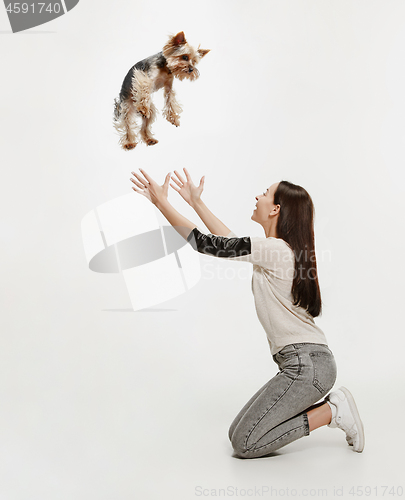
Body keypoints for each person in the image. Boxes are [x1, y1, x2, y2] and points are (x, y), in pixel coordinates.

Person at [129, 167, 365, 457]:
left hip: (307, 366)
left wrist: (161, 202)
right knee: (236, 432)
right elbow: (227, 241)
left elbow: (205, 244)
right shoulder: (273, 251)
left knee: (245, 442)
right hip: (304, 363)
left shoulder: (275, 250)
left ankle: (332, 410)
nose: (258, 196)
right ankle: (329, 408)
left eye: (265, 193)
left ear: (276, 208)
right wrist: (196, 202)